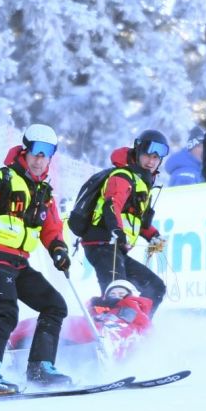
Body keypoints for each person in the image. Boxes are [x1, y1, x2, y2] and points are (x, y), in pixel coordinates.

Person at [0, 123, 72, 396]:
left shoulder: (44, 191)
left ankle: (40, 368)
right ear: (25, 150)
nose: (39, 158)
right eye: (35, 151)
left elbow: (51, 227)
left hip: (19, 262)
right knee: (6, 312)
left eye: (46, 154)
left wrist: (58, 249)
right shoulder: (0, 179)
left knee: (54, 306)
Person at [78, 129, 168, 317]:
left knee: (155, 288)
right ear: (137, 151)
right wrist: (117, 232)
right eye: (147, 155)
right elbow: (112, 205)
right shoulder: (122, 176)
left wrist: (153, 235)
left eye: (156, 158)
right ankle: (106, 335)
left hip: (114, 247)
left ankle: (136, 332)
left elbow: (136, 219)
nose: (151, 161)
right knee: (116, 295)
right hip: (102, 243)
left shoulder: (142, 181)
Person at [9, 280, 152, 361]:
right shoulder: (99, 307)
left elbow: (139, 323)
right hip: (91, 333)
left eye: (121, 294)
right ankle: (24, 340)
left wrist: (122, 304)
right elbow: (88, 318)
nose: (116, 296)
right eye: (112, 294)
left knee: (95, 330)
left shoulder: (135, 307)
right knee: (65, 322)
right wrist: (96, 306)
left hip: (113, 334)